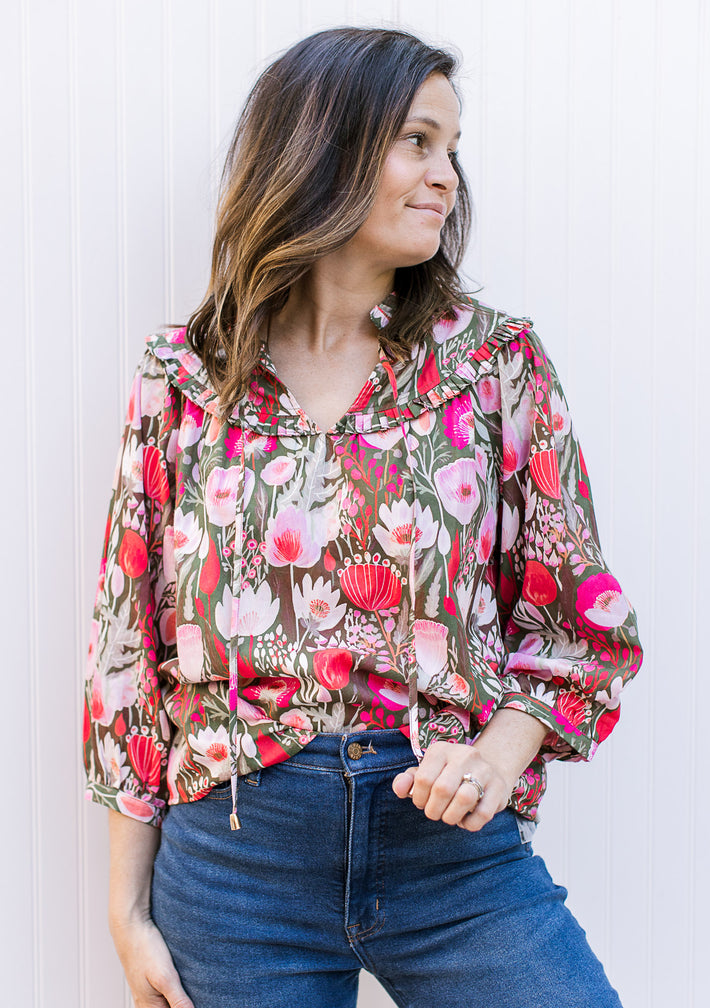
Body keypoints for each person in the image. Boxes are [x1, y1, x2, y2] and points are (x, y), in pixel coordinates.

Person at [83, 26, 642, 1008]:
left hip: (451, 852)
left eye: (453, 150)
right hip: (234, 863)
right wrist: (126, 913)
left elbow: (578, 628)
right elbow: (127, 651)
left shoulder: (495, 365)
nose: (447, 177)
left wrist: (496, 758)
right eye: (418, 141)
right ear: (325, 143)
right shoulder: (184, 378)